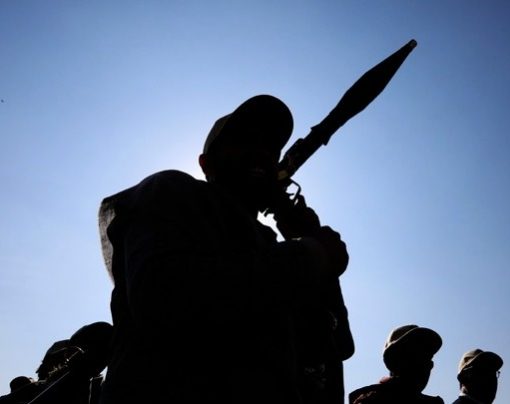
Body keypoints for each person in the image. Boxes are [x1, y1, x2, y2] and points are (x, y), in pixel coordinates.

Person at [97, 94, 353, 404]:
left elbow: (336, 347)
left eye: (270, 146)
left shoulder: (272, 249)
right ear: (206, 164)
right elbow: (164, 295)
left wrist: (315, 255)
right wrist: (312, 254)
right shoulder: (171, 191)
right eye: (244, 140)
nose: (261, 151)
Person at [349, 324, 444, 404]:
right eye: (414, 356)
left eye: (428, 359)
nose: (427, 366)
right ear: (396, 362)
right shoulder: (369, 399)